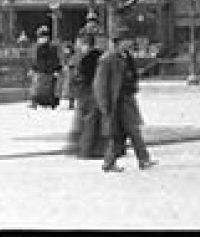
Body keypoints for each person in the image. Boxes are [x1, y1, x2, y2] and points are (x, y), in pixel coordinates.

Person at [94, 27, 156, 172]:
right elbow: (100, 85)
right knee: (124, 133)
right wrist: (104, 105)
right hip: (116, 102)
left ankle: (135, 160)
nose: (129, 43)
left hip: (126, 99)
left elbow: (130, 75)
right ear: (118, 42)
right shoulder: (107, 59)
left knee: (127, 132)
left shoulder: (126, 57)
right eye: (126, 41)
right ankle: (140, 160)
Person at [65, 28, 107, 159]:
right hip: (91, 92)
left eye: (80, 43)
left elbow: (85, 76)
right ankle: (92, 149)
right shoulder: (96, 56)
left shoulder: (89, 58)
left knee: (89, 122)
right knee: (90, 121)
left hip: (90, 92)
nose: (78, 46)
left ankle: (86, 149)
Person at [29, 26, 61, 108]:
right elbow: (34, 59)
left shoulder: (52, 48)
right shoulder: (36, 47)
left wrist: (57, 69)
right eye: (40, 37)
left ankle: (51, 103)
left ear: (47, 37)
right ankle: (34, 102)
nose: (41, 39)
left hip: (49, 71)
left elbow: (56, 59)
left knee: (49, 88)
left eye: (43, 37)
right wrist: (33, 68)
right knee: (36, 87)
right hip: (39, 71)